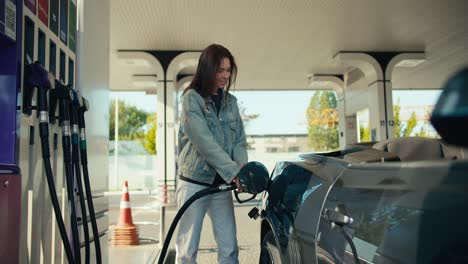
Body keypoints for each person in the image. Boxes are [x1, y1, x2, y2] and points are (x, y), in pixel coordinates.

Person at [175, 44, 248, 264]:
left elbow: (239, 141)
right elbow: (204, 142)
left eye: (228, 70)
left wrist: (242, 169)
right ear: (207, 69)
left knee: (229, 249)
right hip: (194, 182)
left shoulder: (231, 102)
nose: (226, 75)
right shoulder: (192, 99)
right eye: (220, 70)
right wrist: (233, 171)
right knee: (187, 252)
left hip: (221, 184)